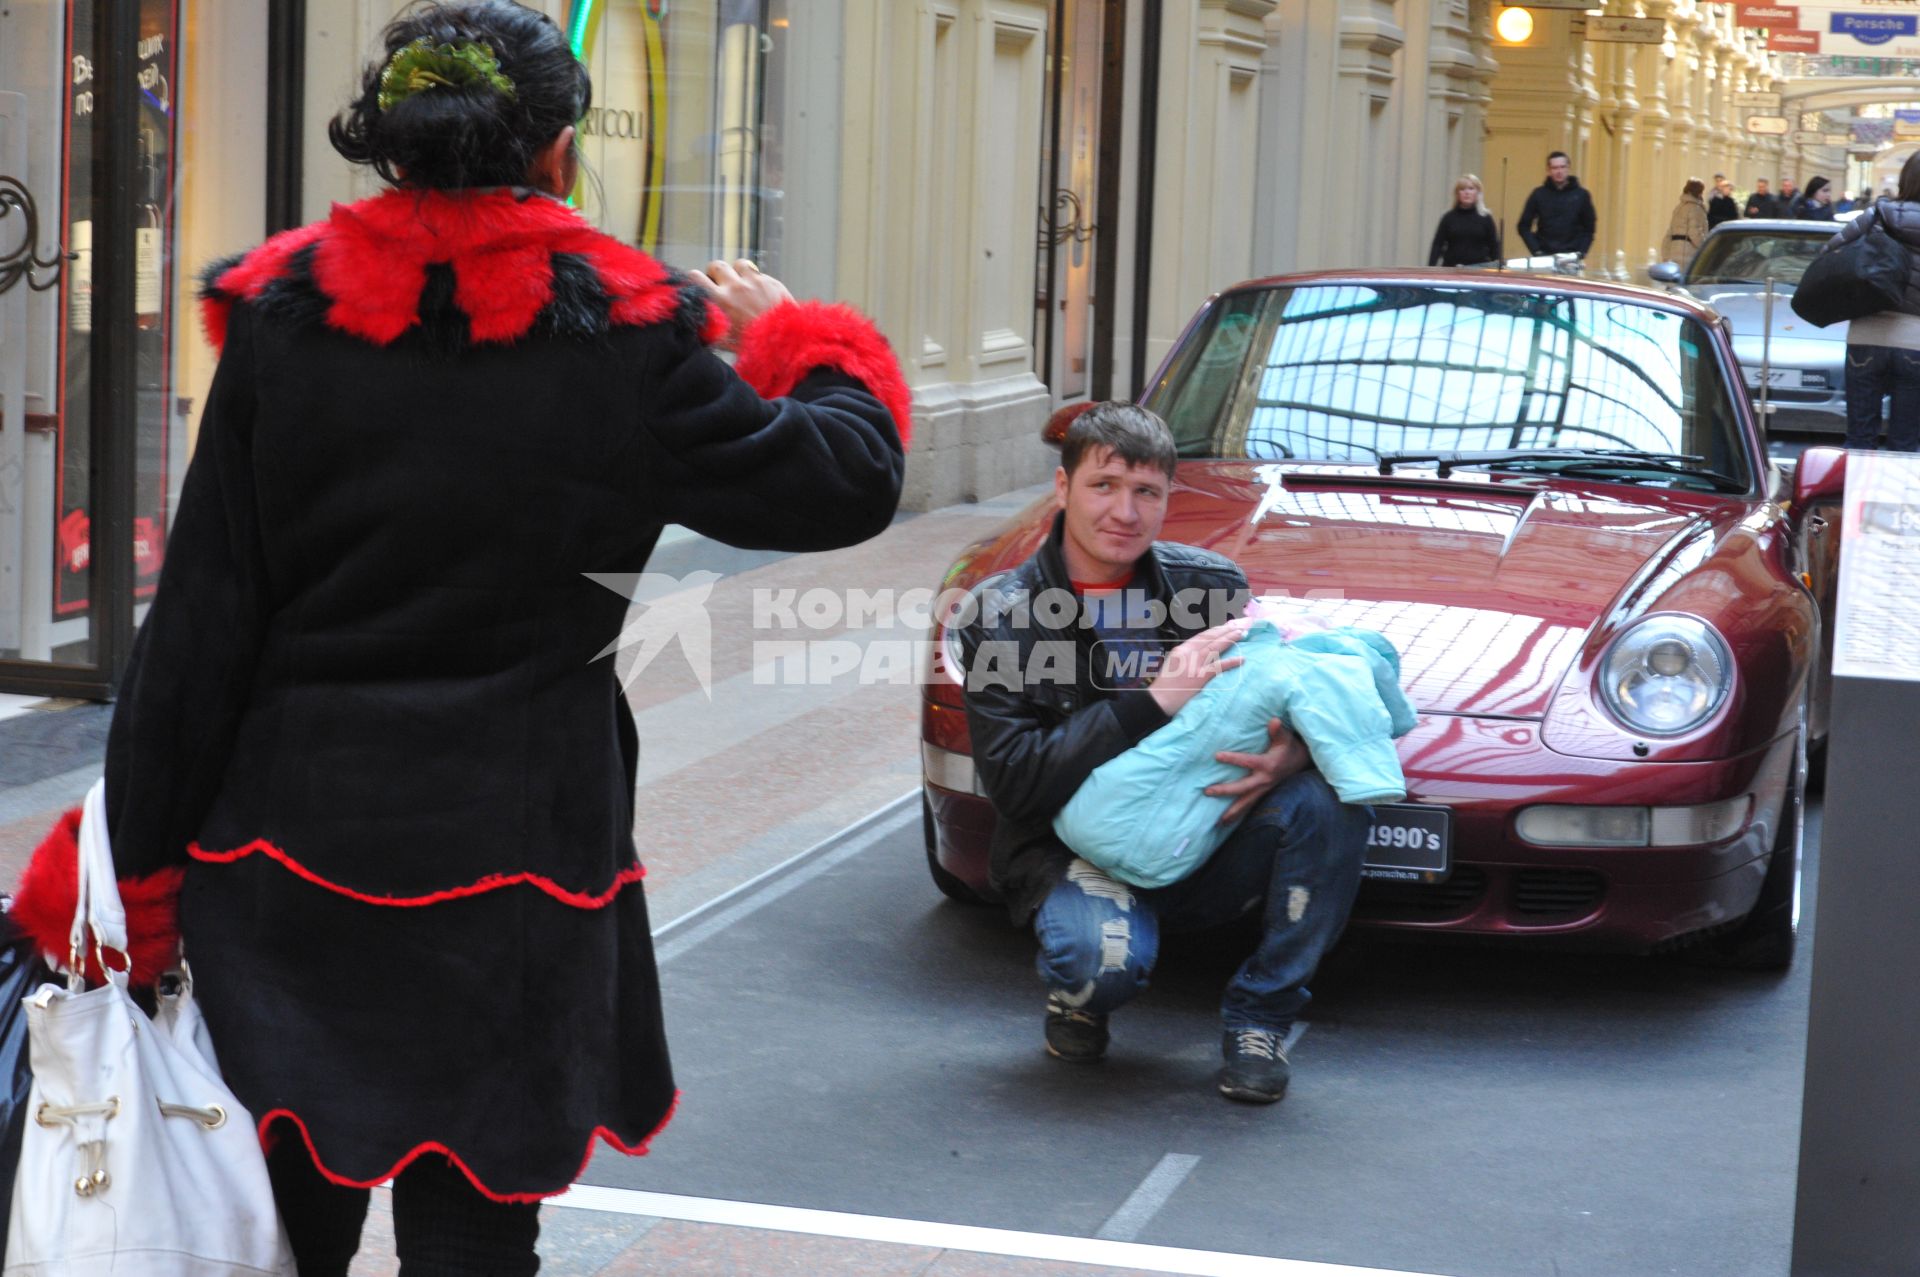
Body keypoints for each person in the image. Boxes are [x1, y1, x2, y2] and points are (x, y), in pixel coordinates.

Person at [7, 2, 909, 1273]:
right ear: (556, 147)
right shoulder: (631, 329)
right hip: (518, 860)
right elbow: (843, 481)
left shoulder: (285, 318)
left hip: (288, 848)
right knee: (476, 1236)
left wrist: (138, 873)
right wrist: (793, 340)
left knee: (280, 1221)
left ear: (391, 149)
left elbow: (203, 620)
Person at [956, 403, 1370, 1106]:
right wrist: (1153, 702)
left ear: (1167, 498)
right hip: (1069, 852)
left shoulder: (1211, 589)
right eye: (1104, 485)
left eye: (1146, 491)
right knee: (1099, 963)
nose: (1125, 510)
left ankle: (1259, 1017)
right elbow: (1018, 784)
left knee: (1333, 799)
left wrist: (1291, 757)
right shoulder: (1001, 614)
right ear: (1063, 488)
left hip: (1198, 832)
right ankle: (1079, 998)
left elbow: (1296, 691)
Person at [1833, 152, 1920, 451]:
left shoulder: (1877, 215)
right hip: (1916, 342)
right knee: (1906, 442)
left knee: (1859, 437)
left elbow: (1831, 254)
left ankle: (1857, 497)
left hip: (1867, 334)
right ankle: (1897, 498)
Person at [1516, 150, 1597, 259]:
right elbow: (1523, 226)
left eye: (1562, 167)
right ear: (1548, 170)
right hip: (1544, 256)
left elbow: (1589, 229)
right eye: (1555, 168)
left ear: (1568, 168)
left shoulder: (1582, 195)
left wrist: (1581, 252)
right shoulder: (1538, 194)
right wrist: (1536, 250)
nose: (1559, 171)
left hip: (1571, 257)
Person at [1428, 174, 1503, 267]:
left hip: (1479, 270)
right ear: (1457, 194)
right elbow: (1437, 245)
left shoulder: (1486, 217)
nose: (1467, 192)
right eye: (1462, 189)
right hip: (1451, 269)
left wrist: (1498, 268)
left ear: (1478, 192)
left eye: (1471, 188)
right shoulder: (1448, 217)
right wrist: (1430, 268)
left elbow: (1494, 246)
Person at [1663, 178, 1710, 267]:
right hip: (1688, 253)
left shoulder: (1679, 208)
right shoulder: (1696, 209)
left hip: (1674, 252)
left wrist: (1665, 254)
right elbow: (1695, 233)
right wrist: (1705, 248)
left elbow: (1670, 232)